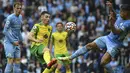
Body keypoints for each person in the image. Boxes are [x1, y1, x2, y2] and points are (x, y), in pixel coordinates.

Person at [58, 0, 130, 73]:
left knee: (103, 62)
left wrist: (111, 23)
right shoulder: (121, 16)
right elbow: (116, 15)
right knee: (89, 45)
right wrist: (111, 8)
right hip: (107, 38)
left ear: (127, 12)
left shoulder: (128, 23)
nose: (120, 12)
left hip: (115, 44)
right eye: (120, 11)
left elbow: (116, 32)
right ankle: (70, 58)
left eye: (122, 11)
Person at [3, 2, 23, 73]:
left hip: (16, 42)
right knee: (10, 61)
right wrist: (12, 41)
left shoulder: (20, 17)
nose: (19, 9)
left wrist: (22, 40)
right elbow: (4, 31)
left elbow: (18, 30)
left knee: (17, 62)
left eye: (20, 8)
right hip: (9, 42)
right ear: (14, 8)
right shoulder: (10, 17)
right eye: (17, 8)